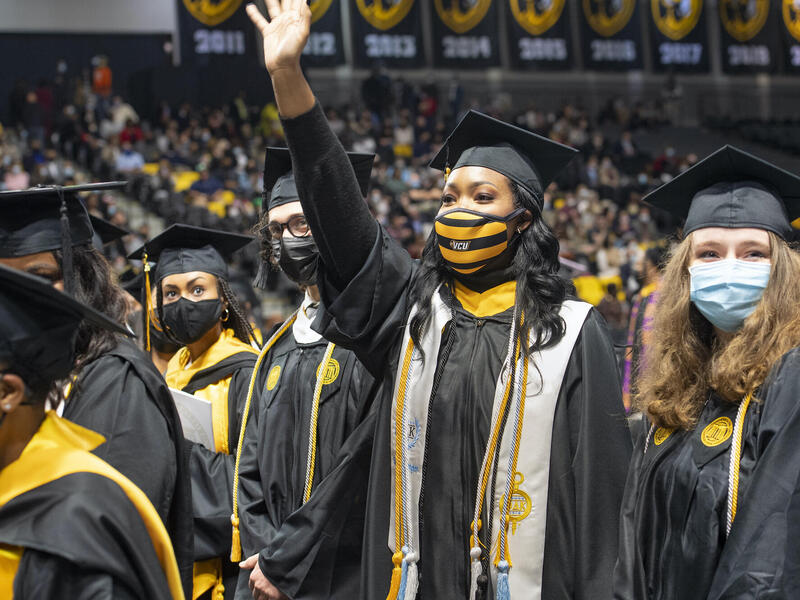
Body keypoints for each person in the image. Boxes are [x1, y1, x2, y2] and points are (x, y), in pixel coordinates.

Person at [246, 3, 632, 598]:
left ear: (524, 220)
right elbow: (343, 217)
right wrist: (289, 81)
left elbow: (603, 509)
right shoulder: (412, 317)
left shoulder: (574, 337)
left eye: (482, 197)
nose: (458, 211)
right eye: (449, 196)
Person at [614, 146, 800, 599]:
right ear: (686, 271)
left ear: (784, 271)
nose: (730, 267)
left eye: (754, 253)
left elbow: (768, 560)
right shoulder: (680, 382)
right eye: (710, 253)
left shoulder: (790, 377)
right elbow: (635, 530)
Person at [0, 182, 194, 596]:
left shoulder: (117, 383)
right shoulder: (55, 373)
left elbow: (105, 545)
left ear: (83, 278)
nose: (20, 300)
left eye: (40, 278)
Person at [233, 148, 377, 599]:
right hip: (267, 573)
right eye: (276, 230)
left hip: (343, 571)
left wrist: (289, 560)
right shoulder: (276, 347)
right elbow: (249, 469)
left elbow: (360, 466)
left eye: (302, 224)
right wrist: (266, 558)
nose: (286, 240)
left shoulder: (372, 341)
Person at [130, 224, 259, 600]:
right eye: (170, 293)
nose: (183, 302)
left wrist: (171, 454)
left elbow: (254, 477)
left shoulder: (247, 372)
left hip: (230, 566)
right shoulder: (174, 371)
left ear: (223, 301)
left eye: (197, 289)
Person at [621, 245, 665, 412]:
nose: (639, 266)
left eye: (643, 261)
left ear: (651, 265)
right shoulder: (645, 293)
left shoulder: (660, 293)